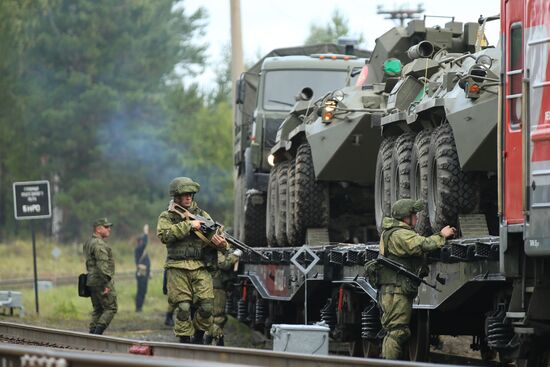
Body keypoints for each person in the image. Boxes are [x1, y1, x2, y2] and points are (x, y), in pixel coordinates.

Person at [376, 199, 455, 360]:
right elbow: (422, 245)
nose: (417, 218)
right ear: (406, 217)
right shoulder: (399, 234)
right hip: (395, 290)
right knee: (397, 332)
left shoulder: (394, 231)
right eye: (414, 214)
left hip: (394, 289)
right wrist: (442, 235)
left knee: (395, 331)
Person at [156, 177, 227, 344]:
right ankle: (185, 341)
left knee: (207, 306)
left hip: (200, 266)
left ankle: (199, 336)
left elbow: (216, 238)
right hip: (177, 266)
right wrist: (189, 225)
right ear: (176, 197)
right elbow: (164, 236)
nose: (188, 197)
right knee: (183, 308)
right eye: (184, 195)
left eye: (190, 194)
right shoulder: (167, 216)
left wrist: (222, 245)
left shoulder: (202, 215)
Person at [83, 217, 117, 335]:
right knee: (111, 308)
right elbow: (102, 266)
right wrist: (106, 284)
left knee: (98, 309)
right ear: (98, 229)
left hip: (92, 280)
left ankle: (92, 335)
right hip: (101, 281)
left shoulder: (89, 242)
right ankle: (97, 335)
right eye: (106, 227)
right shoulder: (99, 244)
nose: (109, 230)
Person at [204, 248, 242, 346]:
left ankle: (215, 339)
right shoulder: (217, 246)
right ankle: (212, 339)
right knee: (218, 316)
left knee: (212, 315)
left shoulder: (207, 245)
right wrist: (235, 256)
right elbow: (223, 264)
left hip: (209, 284)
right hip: (216, 286)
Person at [134, 224, 151, 312]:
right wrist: (146, 233)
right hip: (141, 273)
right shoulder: (138, 249)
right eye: (141, 241)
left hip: (145, 273)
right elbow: (144, 244)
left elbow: (147, 263)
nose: (142, 242)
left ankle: (140, 307)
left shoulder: (143, 251)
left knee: (144, 291)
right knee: (140, 291)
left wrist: (149, 272)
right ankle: (138, 308)